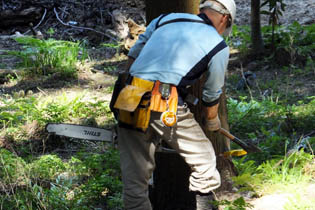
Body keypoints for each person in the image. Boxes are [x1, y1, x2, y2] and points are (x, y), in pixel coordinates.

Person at [111, 0, 236, 209]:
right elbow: (212, 92)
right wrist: (212, 120)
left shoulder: (164, 19)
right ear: (225, 19)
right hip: (162, 100)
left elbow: (133, 56)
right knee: (205, 159)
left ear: (201, 10)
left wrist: (133, 88)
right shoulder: (218, 45)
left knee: (135, 180)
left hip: (129, 94)